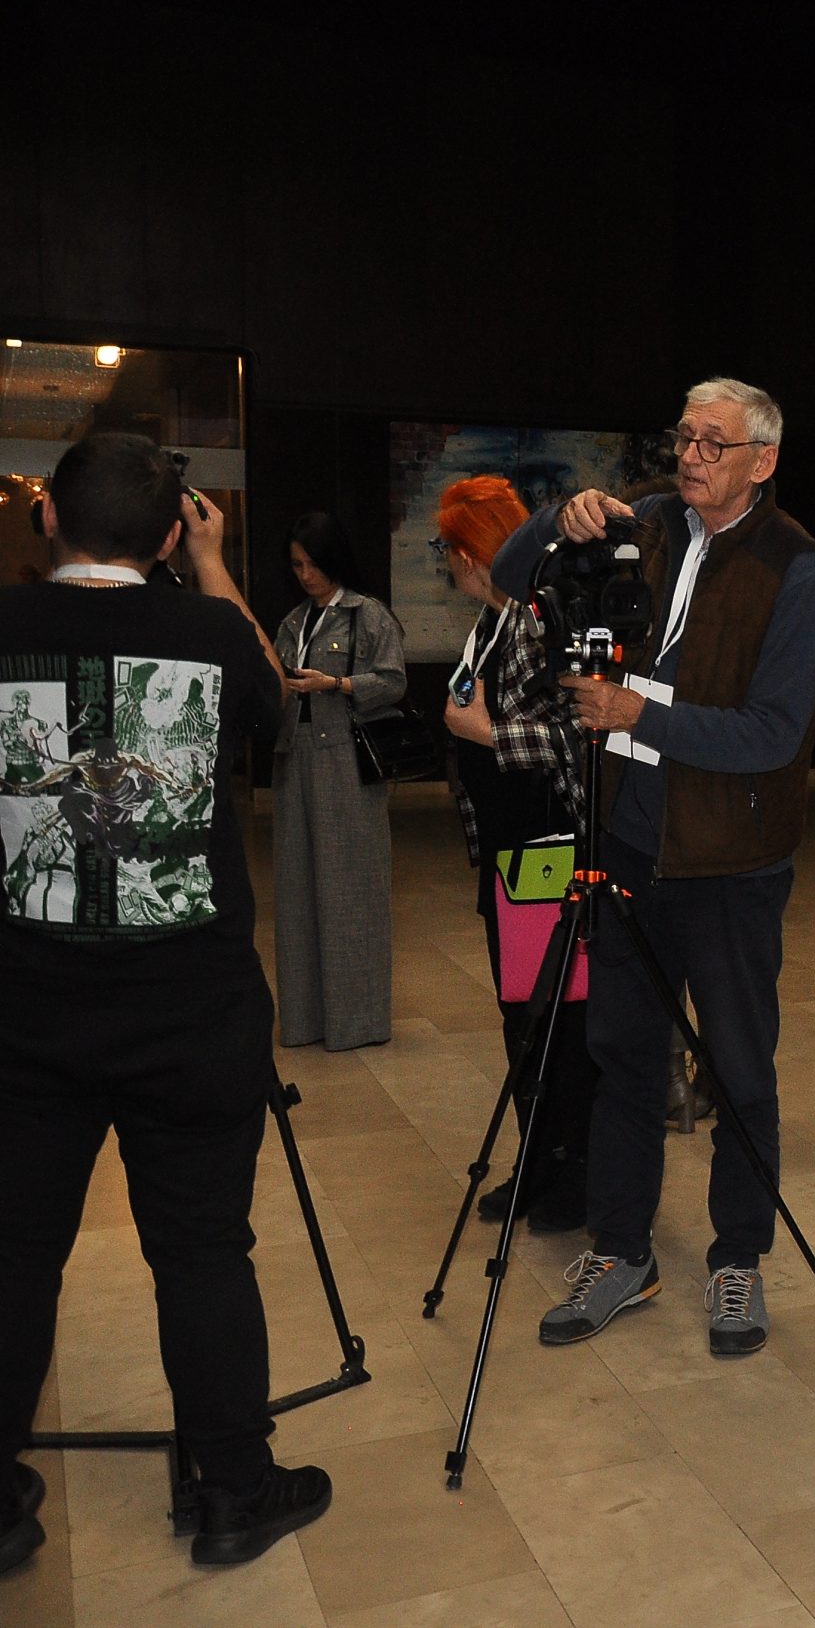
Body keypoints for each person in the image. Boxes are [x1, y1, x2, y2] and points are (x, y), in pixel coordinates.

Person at [0, 434, 333, 1571]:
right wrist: (217, 564)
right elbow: (275, 704)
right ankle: (233, 1489)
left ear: (49, 516)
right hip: (190, 1010)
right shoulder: (209, 630)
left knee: (14, 1252)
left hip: (25, 1007)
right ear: (169, 534)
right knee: (201, 1251)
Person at [491, 376, 815, 1359]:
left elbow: (773, 735)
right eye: (685, 437)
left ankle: (738, 1258)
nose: (691, 456)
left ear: (763, 460)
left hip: (731, 862)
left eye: (714, 444)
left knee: (739, 1071)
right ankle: (620, 1251)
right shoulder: (642, 522)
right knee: (625, 1059)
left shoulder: (797, 567)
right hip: (629, 845)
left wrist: (638, 712)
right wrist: (557, 519)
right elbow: (511, 575)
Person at [435, 476, 595, 1233]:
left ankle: (569, 1173)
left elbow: (584, 730)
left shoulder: (537, 621)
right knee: (524, 1016)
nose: (446, 564)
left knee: (553, 1018)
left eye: (447, 549)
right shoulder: (492, 624)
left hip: (546, 852)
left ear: (472, 555)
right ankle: (540, 1162)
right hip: (510, 854)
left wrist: (489, 734)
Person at [272, 509, 407, 1050]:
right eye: (296, 565)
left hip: (346, 761)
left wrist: (338, 683)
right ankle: (303, 1021)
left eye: (312, 563)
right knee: (296, 888)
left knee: (351, 888)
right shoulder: (292, 621)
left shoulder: (367, 615)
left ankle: (357, 1022)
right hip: (294, 757)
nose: (305, 575)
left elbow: (393, 681)